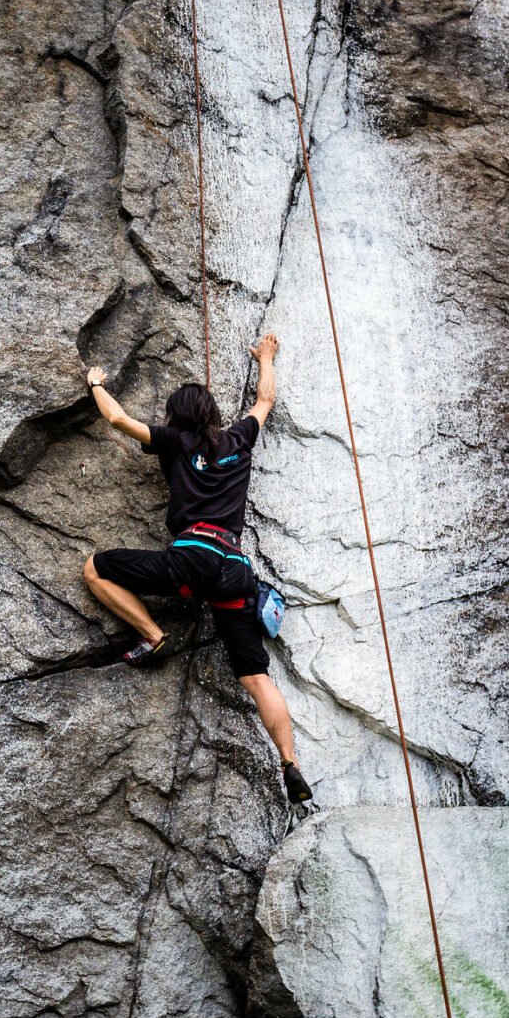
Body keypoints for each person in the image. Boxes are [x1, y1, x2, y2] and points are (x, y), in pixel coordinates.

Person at [82, 334, 312, 805]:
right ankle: (290, 761)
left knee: (94, 568)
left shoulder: (175, 442)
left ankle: (152, 634)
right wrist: (266, 356)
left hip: (191, 556)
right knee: (254, 675)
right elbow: (265, 398)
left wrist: (96, 383)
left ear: (177, 417)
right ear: (210, 414)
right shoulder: (238, 439)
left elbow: (117, 418)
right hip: (234, 569)